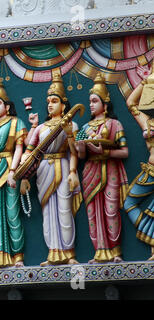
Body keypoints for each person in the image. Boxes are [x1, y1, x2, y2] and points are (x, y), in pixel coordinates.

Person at [21, 73, 82, 266]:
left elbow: (74, 152)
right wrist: (23, 176)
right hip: (43, 170)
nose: (50, 105)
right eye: (48, 101)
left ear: (63, 105)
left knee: (64, 210)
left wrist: (73, 172)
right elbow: (29, 153)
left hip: (63, 167)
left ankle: (69, 253)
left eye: (54, 101)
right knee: (48, 213)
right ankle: (53, 253)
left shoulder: (71, 124)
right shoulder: (40, 128)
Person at [75, 73, 128, 263]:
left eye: (94, 101)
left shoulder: (115, 124)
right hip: (90, 171)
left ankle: (115, 252)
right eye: (89, 101)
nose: (90, 105)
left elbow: (124, 152)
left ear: (105, 105)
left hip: (110, 169)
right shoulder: (85, 127)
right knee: (92, 213)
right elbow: (81, 155)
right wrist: (80, 148)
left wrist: (104, 153)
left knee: (111, 210)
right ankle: (99, 252)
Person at [0, 77, 27, 269]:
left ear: (7, 107)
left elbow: (19, 148)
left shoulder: (15, 122)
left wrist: (12, 171)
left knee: (11, 212)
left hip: (9, 167)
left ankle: (18, 256)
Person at [123, 65, 154, 260]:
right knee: (129, 202)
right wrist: (146, 82)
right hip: (151, 171)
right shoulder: (148, 122)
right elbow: (131, 103)